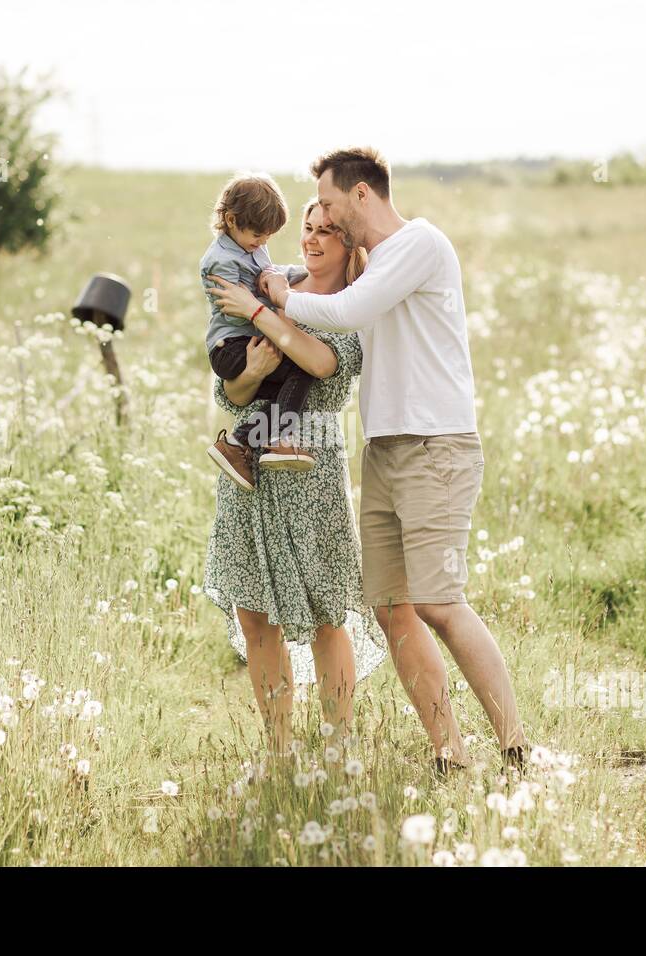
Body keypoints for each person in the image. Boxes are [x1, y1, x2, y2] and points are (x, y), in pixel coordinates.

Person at [207, 147, 530, 776]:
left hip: (435, 445)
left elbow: (341, 329)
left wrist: (260, 310)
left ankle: (515, 746)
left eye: (326, 207)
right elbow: (239, 379)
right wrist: (263, 312)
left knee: (438, 601)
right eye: (311, 218)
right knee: (390, 608)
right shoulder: (363, 270)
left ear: (360, 196)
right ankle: (449, 751)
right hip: (383, 449)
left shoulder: (416, 247)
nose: (315, 223)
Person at [202, 199, 384, 760]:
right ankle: (279, 749)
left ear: (351, 241)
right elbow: (227, 391)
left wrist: (261, 317)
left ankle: (337, 746)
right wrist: (249, 374)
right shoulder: (269, 281)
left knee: (326, 610)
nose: (312, 239)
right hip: (249, 465)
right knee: (255, 611)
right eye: (308, 228)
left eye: (328, 231)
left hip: (309, 466)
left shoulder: (352, 303)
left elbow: (325, 362)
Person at [200, 173, 315, 488]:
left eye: (268, 236)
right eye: (257, 235)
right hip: (232, 346)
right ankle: (280, 437)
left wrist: (307, 273)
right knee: (303, 367)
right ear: (231, 219)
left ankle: (237, 444)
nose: (263, 242)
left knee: (281, 395)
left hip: (246, 338)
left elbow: (269, 274)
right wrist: (277, 312)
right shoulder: (219, 261)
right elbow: (238, 306)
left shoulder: (250, 246)